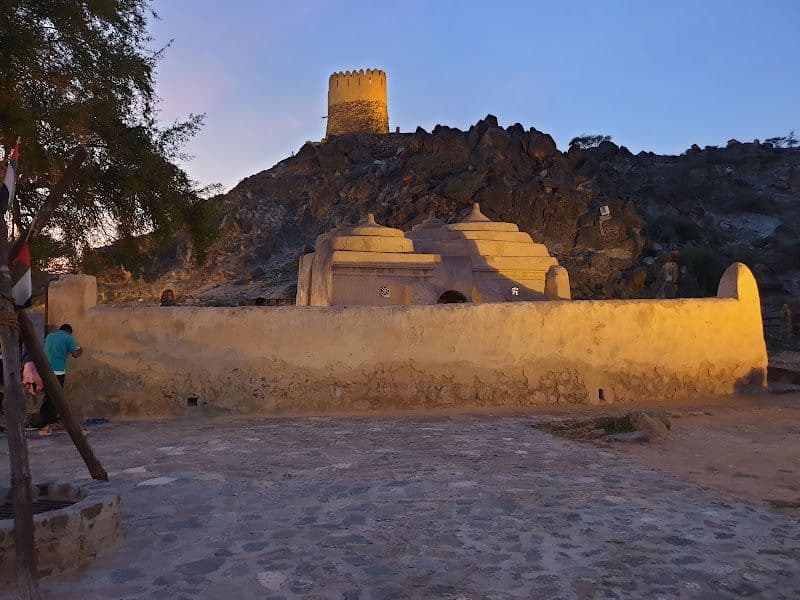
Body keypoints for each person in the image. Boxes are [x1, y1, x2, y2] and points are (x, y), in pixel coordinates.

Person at [36, 323, 82, 427]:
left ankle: (43, 419)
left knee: (48, 395)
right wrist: (80, 350)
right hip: (58, 371)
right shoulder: (68, 337)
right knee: (56, 396)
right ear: (69, 331)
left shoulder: (50, 336)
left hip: (45, 370)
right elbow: (75, 354)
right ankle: (51, 420)